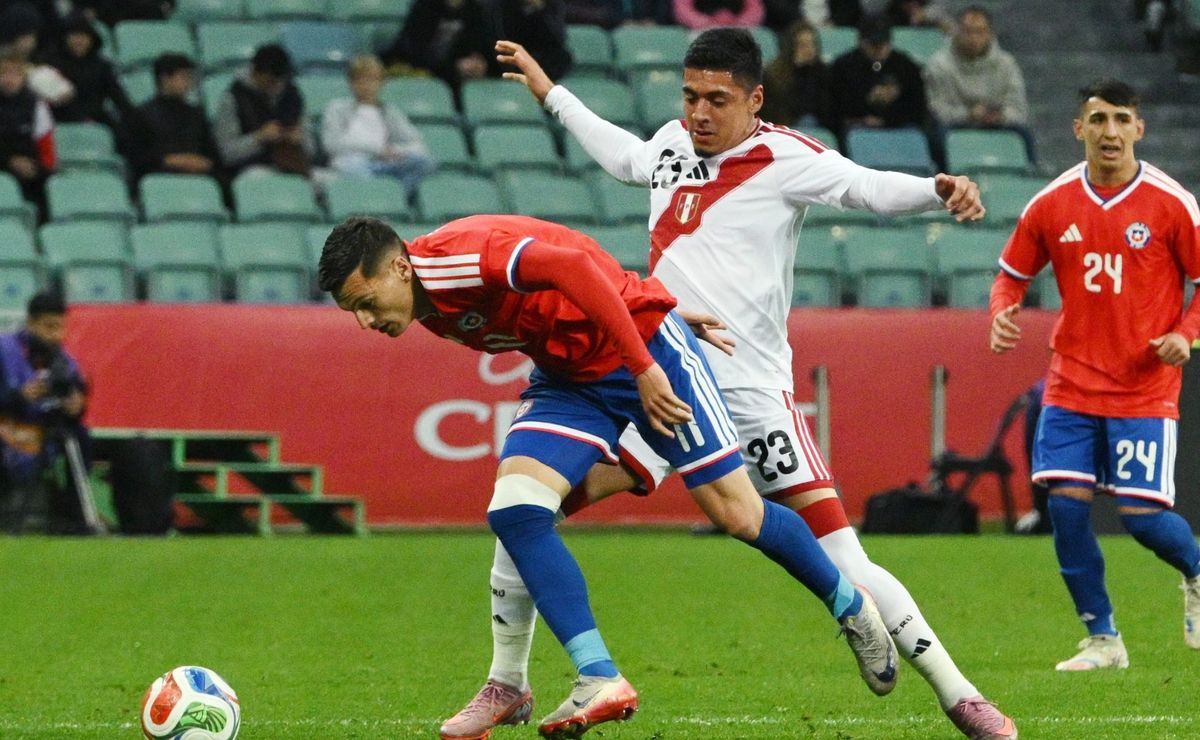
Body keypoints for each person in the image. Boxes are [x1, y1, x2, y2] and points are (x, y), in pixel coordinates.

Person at [440, 27, 1017, 740]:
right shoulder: (673, 146)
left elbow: (865, 187)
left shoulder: (785, 157)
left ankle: (961, 695)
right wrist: (549, 93)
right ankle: (508, 682)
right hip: (662, 376)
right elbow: (624, 156)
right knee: (527, 507)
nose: (699, 113)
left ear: (755, 99)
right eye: (690, 97)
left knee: (840, 552)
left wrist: (937, 188)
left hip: (748, 392)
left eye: (717, 99)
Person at [319, 214, 899, 739]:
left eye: (367, 302)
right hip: (569, 380)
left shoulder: (457, 259)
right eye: (355, 313)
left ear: (399, 265)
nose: (367, 321)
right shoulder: (422, 302)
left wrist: (644, 347)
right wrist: (631, 299)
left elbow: (570, 261)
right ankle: (574, 678)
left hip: (646, 355)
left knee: (738, 515)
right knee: (517, 509)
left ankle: (851, 605)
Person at [989, 78, 1200, 671]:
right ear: (1078, 128)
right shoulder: (1051, 204)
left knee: (1142, 517)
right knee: (1067, 506)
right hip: (1072, 382)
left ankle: (1197, 572)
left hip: (1143, 386)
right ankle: (1103, 638)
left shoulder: (1171, 203)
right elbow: (1011, 274)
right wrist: (1002, 312)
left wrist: (1186, 334)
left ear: (1139, 128)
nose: (1110, 132)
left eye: (1121, 120)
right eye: (1099, 119)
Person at [0, 291, 90, 534]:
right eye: (49, 327)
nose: (56, 335)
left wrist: (76, 407)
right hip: (8, 429)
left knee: (81, 435)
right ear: (30, 323)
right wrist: (18, 397)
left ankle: (75, 519)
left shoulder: (65, 361)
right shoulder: (4, 349)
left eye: (60, 328)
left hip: (41, 432)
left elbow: (78, 393)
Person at [321, 54, 436, 202]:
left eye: (372, 80)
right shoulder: (337, 109)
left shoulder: (390, 112)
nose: (367, 85)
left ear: (381, 82)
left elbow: (417, 144)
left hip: (386, 163)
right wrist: (377, 149)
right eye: (361, 80)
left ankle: (392, 200)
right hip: (353, 161)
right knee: (354, 170)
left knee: (424, 163)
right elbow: (332, 145)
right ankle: (380, 200)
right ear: (352, 83)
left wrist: (396, 151)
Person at [922, 6, 1032, 158]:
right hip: (957, 126)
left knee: (1022, 135)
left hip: (998, 124)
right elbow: (939, 110)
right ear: (957, 32)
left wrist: (1000, 116)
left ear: (990, 34)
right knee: (938, 135)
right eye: (967, 32)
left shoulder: (1007, 64)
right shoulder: (939, 65)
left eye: (979, 32)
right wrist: (970, 114)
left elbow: (1019, 109)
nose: (973, 38)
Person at [213, 44, 313, 177]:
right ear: (254, 72)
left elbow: (311, 149)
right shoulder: (233, 98)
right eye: (269, 82)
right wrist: (259, 138)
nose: (275, 87)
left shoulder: (293, 95)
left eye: (279, 82)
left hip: (293, 165)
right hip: (251, 167)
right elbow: (226, 153)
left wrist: (300, 140)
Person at [828, 14, 930, 140]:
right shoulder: (843, 67)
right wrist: (867, 104)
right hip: (858, 126)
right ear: (861, 42)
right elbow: (835, 107)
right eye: (874, 44)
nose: (879, 49)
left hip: (899, 126)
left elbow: (917, 107)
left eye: (883, 43)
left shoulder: (906, 66)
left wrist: (887, 118)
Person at [43, 10, 136, 141]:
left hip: (97, 118)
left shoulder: (102, 66)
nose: (79, 41)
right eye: (74, 36)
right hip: (59, 119)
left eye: (84, 36)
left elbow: (119, 98)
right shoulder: (50, 64)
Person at [130, 53, 223, 181]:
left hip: (200, 176)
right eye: (184, 77)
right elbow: (138, 157)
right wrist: (173, 160)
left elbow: (211, 152)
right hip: (161, 176)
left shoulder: (196, 114)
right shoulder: (141, 115)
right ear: (165, 78)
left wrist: (203, 162)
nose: (189, 83)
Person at [0, 50, 55, 217]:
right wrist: (10, 161)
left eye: (15, 74)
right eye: (3, 74)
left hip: (30, 168)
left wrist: (39, 168)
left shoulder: (36, 105)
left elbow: (46, 146)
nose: (9, 80)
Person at [761, 18, 835, 132]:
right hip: (782, 125)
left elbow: (821, 108)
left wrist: (807, 72)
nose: (809, 50)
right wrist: (799, 70)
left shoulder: (823, 72)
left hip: (815, 126)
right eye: (802, 45)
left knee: (809, 120)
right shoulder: (774, 73)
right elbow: (782, 107)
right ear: (791, 47)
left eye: (812, 44)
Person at [672, 0, 765, 29]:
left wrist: (740, 23)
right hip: (699, 31)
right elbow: (681, 8)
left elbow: (756, 8)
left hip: (739, 30)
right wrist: (706, 22)